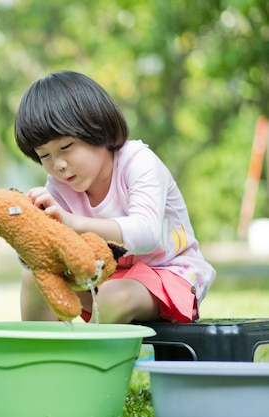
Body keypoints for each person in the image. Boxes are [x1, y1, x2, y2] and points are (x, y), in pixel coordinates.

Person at [14, 70, 216, 324]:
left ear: (96, 130)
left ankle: (91, 363)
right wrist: (30, 243)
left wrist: (74, 224)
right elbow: (56, 251)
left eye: (66, 147)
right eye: (45, 156)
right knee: (35, 276)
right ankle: (41, 359)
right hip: (103, 277)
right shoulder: (58, 185)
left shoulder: (138, 161)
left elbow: (146, 234)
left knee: (112, 295)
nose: (59, 164)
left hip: (168, 274)